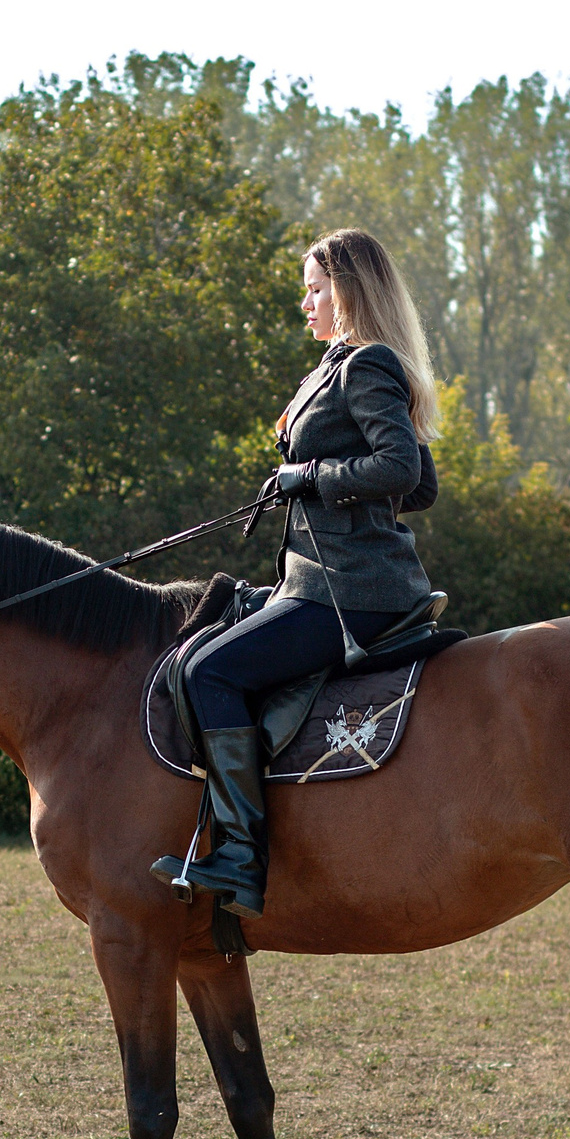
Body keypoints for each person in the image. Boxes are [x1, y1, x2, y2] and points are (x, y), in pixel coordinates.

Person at [152, 228, 441, 919]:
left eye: (315, 289)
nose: (304, 302)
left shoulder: (366, 365)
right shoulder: (344, 367)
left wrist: (308, 475)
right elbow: (419, 483)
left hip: (346, 589)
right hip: (317, 578)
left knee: (206, 673)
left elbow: (403, 474)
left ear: (350, 292)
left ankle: (242, 860)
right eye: (306, 290)